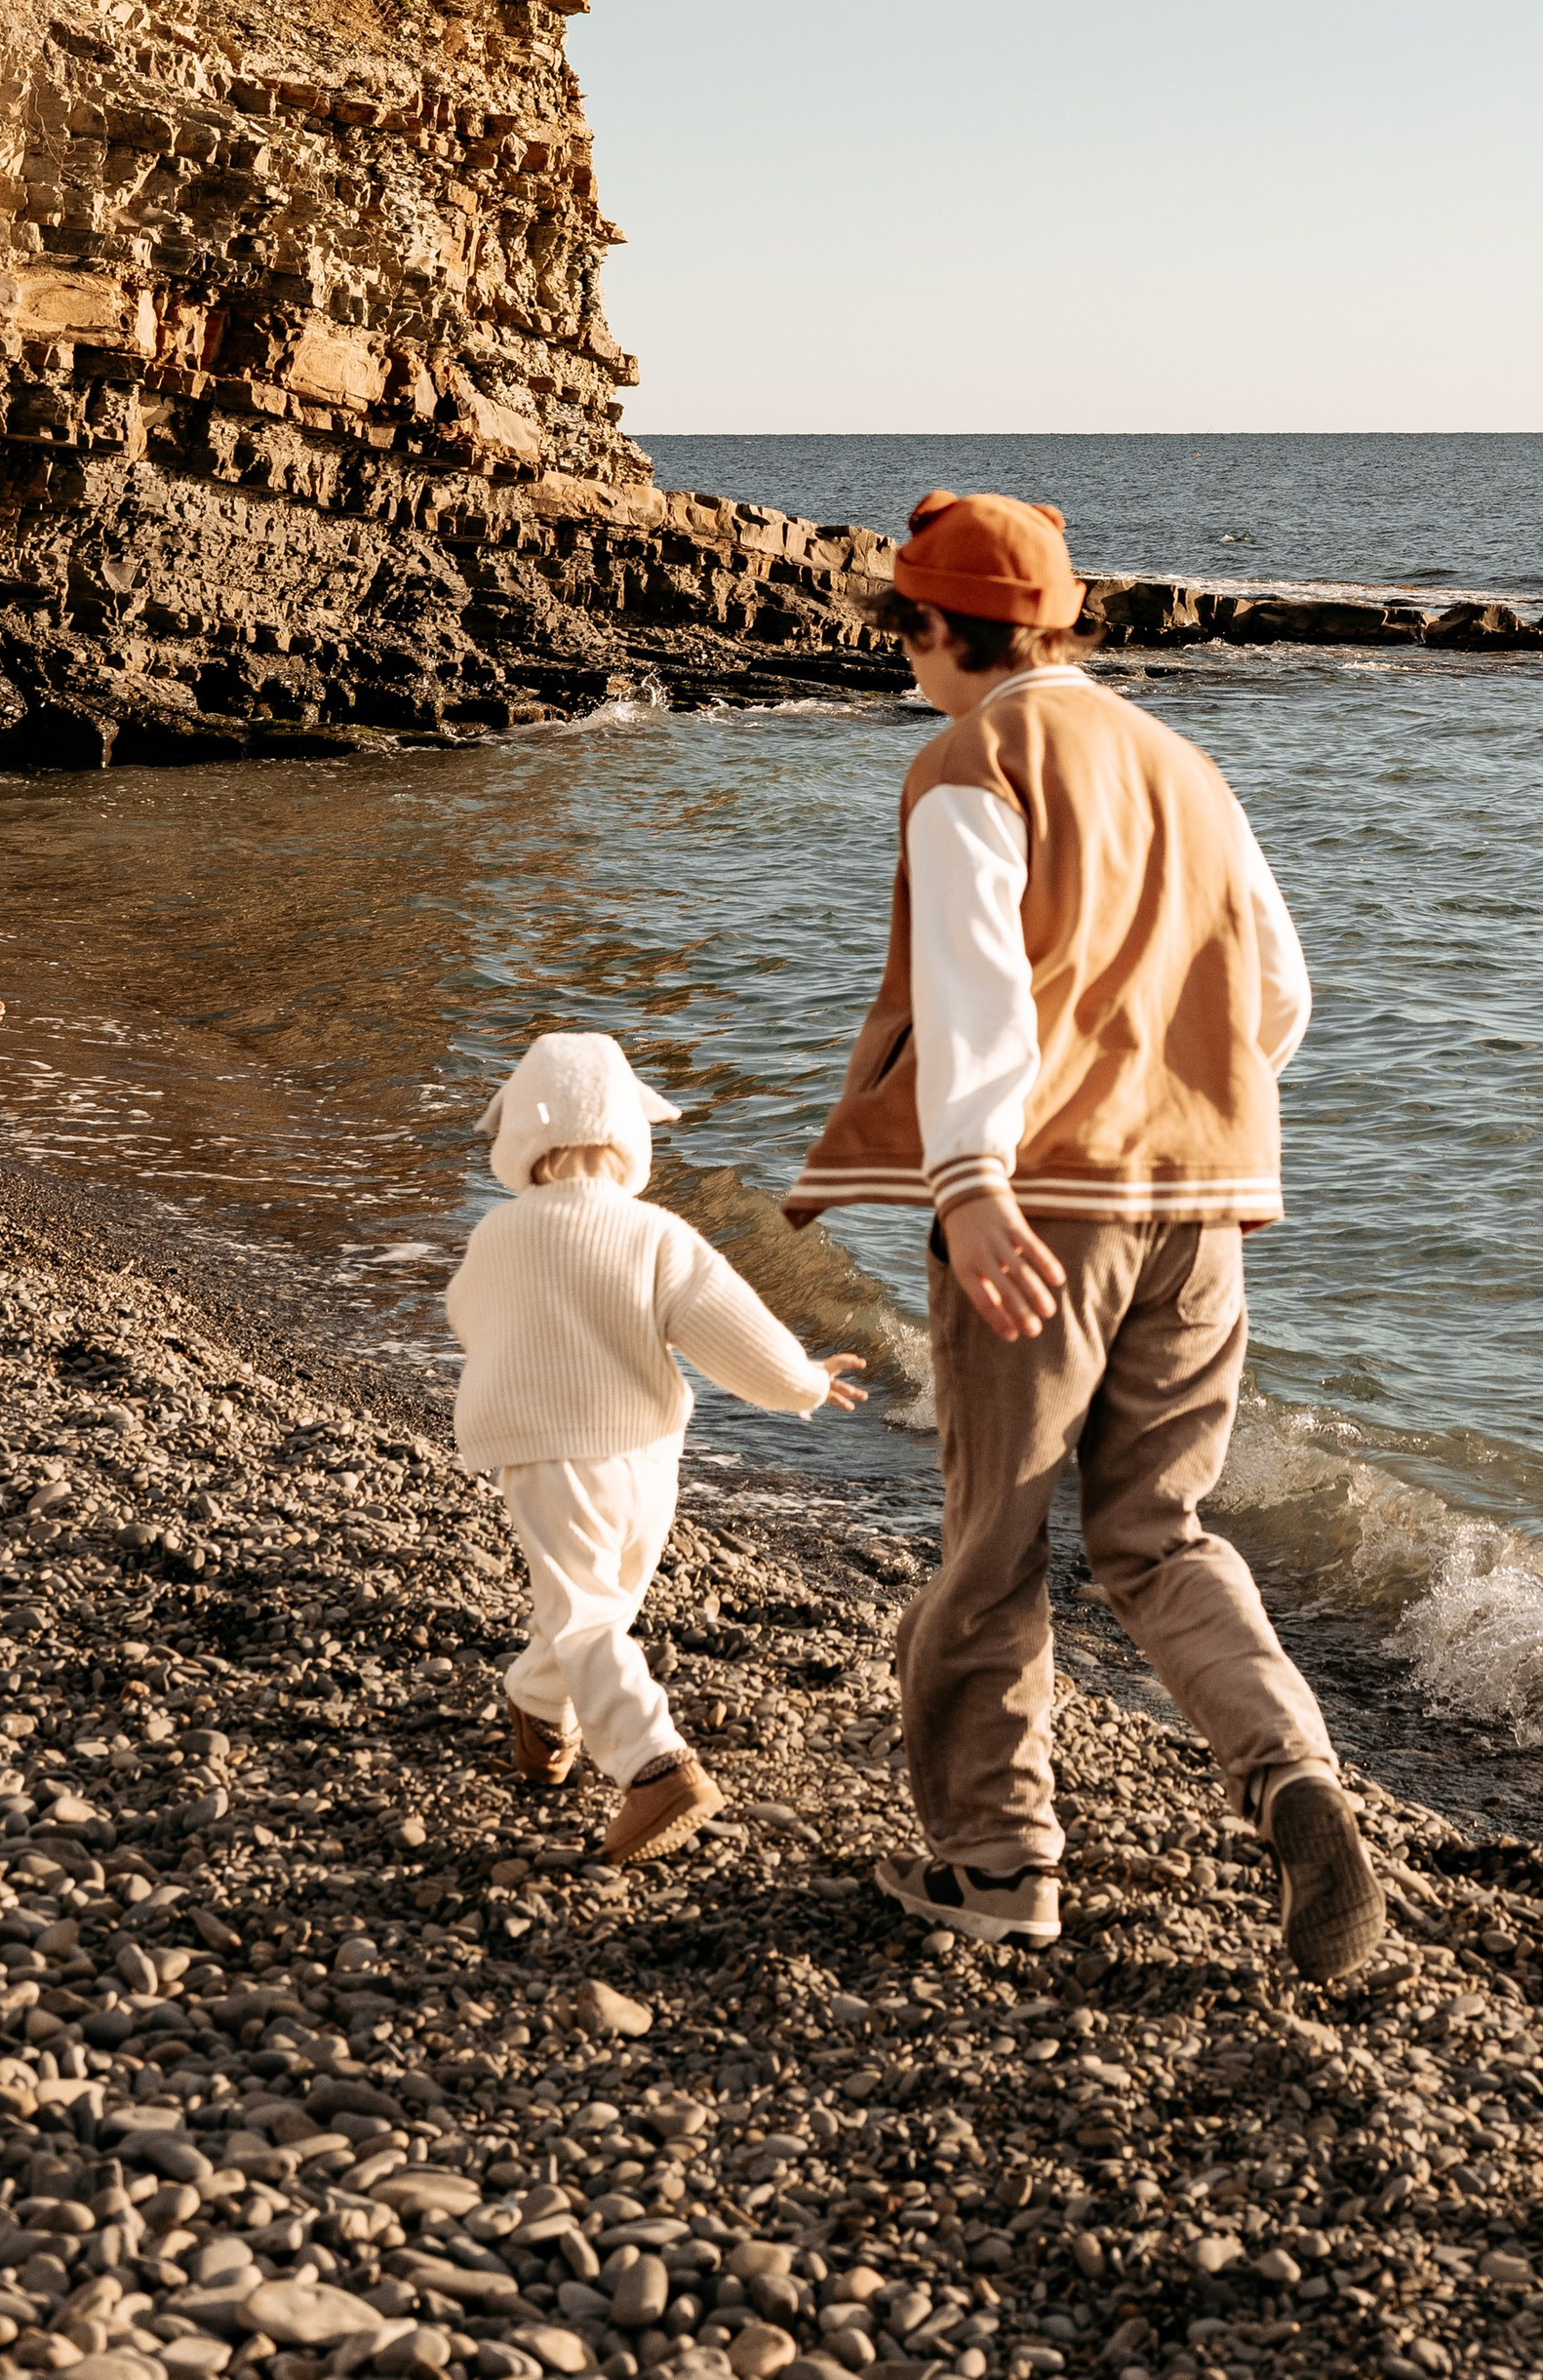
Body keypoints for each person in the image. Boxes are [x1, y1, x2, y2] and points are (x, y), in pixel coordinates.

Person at [781, 488, 1385, 1981]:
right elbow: (1283, 997)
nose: (911, 663)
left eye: (909, 636)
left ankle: (997, 1870)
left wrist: (973, 1180)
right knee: (1160, 1530)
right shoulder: (1189, 767)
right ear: (1055, 621)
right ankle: (1292, 1774)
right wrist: (1175, 1099)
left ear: (933, 627)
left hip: (1041, 1207)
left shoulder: (971, 762)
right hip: (1201, 1203)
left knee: (991, 1546)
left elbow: (982, 990)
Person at [447, 1028, 867, 1866]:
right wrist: (805, 1383)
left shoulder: (498, 1234)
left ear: (520, 1138)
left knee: (585, 1608)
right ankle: (537, 1710)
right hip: (645, 1459)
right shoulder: (657, 1234)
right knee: (599, 1605)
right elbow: (733, 1329)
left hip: (550, 1450)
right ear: (630, 1136)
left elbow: (468, 1316)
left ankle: (655, 1766)